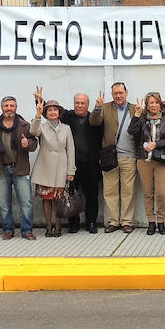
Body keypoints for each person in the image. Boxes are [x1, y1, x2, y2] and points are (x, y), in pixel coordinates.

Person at [0, 96, 38, 240]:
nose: (9, 108)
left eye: (11, 105)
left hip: (20, 169)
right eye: (6, 105)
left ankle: (27, 230)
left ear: (16, 107)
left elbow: (34, 143)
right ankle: (8, 230)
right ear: (2, 108)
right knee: (4, 203)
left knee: (26, 202)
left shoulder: (24, 125)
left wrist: (28, 144)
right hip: (1, 170)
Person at [90, 82, 138, 234]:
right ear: (112, 94)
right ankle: (113, 221)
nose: (118, 95)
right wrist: (97, 108)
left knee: (128, 191)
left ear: (126, 92)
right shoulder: (105, 107)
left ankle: (126, 222)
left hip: (129, 156)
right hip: (110, 156)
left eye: (120, 92)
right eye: (115, 93)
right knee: (110, 191)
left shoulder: (134, 108)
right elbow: (94, 122)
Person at [128, 91, 165, 235]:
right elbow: (131, 131)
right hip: (144, 160)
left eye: (156, 102)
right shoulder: (142, 119)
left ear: (160, 104)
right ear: (147, 106)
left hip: (162, 161)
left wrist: (156, 144)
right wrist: (136, 115)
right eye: (151, 103)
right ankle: (151, 222)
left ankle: (161, 221)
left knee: (161, 193)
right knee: (148, 193)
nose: (154, 105)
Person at [30, 99, 75, 237]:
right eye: (49, 110)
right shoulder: (41, 126)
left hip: (61, 168)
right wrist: (38, 115)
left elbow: (71, 150)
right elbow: (33, 131)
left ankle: (58, 226)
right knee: (46, 199)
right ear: (46, 113)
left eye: (55, 109)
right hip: (45, 168)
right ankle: (49, 226)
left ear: (59, 112)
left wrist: (70, 171)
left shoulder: (66, 128)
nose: (52, 112)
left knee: (59, 200)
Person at [60, 92, 102, 234]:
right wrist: (39, 100)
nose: (79, 105)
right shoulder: (67, 117)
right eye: (77, 103)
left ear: (87, 105)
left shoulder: (94, 119)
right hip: (71, 164)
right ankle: (73, 224)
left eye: (82, 103)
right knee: (71, 194)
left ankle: (91, 222)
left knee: (92, 195)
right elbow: (51, 111)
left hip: (90, 164)